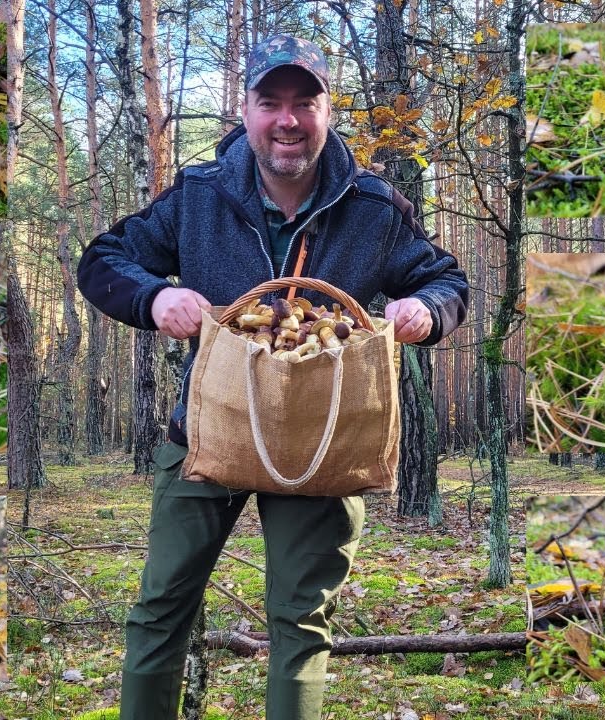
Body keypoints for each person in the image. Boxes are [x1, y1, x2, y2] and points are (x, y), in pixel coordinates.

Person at [77, 34, 469, 720]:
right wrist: (154, 298)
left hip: (327, 446)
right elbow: (104, 260)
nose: (287, 119)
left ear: (327, 111)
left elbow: (446, 279)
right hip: (208, 432)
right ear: (247, 110)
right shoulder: (198, 197)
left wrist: (424, 311)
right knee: (160, 606)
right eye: (270, 102)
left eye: (304, 102)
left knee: (300, 622)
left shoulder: (372, 207)